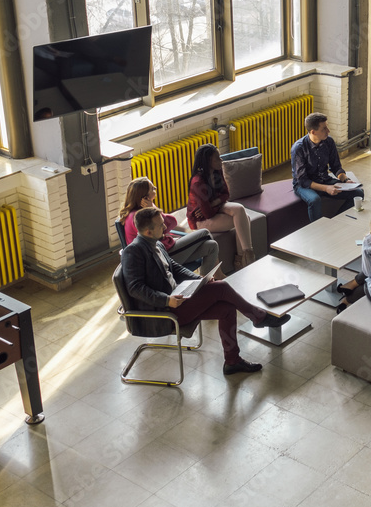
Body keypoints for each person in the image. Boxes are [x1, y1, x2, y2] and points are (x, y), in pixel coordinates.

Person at [121, 207, 290, 375]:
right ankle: (258, 316)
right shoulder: (133, 252)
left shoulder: (156, 243)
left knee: (227, 309)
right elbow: (135, 289)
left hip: (178, 297)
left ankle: (232, 361)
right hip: (166, 310)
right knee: (221, 287)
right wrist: (166, 300)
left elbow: (175, 268)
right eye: (160, 225)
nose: (165, 227)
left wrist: (199, 280)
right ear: (148, 232)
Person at [119, 176, 222, 278]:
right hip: (160, 257)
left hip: (164, 249)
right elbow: (169, 223)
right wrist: (151, 208)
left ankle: (205, 281)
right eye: (152, 188)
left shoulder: (143, 210)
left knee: (212, 245)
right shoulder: (139, 216)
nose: (155, 188)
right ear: (144, 197)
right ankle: (214, 277)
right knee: (205, 233)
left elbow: (167, 225)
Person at [186, 144, 256, 269]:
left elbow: (226, 194)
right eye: (217, 158)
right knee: (245, 218)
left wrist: (213, 203)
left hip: (213, 207)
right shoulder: (198, 182)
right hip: (200, 220)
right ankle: (244, 260)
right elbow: (207, 214)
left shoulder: (217, 171)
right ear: (208, 161)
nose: (221, 160)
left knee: (240, 210)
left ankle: (245, 255)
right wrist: (213, 204)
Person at [291, 112, 364, 222]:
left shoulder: (329, 141)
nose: (328, 131)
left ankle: (336, 221)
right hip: (304, 186)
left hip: (324, 180)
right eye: (324, 129)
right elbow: (302, 180)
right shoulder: (299, 148)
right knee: (315, 200)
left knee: (358, 193)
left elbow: (336, 167)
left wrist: (345, 179)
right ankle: (319, 230)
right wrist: (326, 188)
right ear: (313, 132)